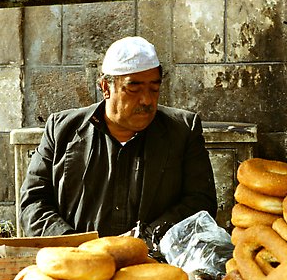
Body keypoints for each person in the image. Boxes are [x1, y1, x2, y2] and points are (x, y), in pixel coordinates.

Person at [19, 36, 218, 237]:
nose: (147, 100)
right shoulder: (62, 130)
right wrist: (76, 246)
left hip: (154, 261)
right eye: (134, 88)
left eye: (154, 88)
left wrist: (145, 238)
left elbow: (200, 202)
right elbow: (33, 203)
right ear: (106, 87)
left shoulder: (182, 130)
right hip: (76, 261)